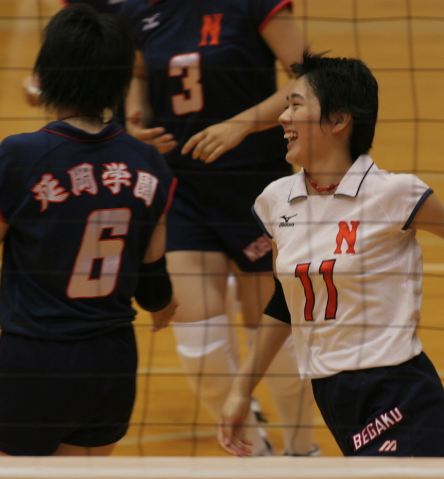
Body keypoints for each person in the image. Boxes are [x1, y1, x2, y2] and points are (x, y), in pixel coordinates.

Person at [217, 50, 444, 457]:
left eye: (296, 105)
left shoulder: (391, 194)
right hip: (333, 397)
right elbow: (286, 302)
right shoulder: (276, 200)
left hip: (398, 392)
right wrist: (241, 391)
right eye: (286, 106)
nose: (283, 117)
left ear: (339, 120)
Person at [0, 3, 177, 456]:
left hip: (36, 360)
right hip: (112, 365)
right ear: (119, 80)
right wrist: (166, 305)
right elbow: (153, 286)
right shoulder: (148, 164)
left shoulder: (22, 156)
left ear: (48, 73)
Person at [121, 0, 316, 456]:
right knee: (200, 347)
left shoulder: (250, 4)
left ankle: (303, 453)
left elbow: (312, 78)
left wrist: (242, 124)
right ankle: (255, 457)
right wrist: (134, 114)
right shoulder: (141, 13)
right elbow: (138, 72)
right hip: (182, 189)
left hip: (256, 188)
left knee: (276, 339)